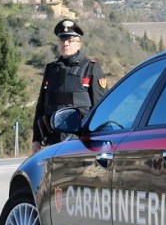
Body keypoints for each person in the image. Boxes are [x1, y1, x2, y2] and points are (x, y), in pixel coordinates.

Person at [30, 19, 108, 152]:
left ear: (78, 44)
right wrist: (36, 139)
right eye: (62, 40)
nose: (65, 43)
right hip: (53, 140)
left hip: (80, 141)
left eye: (70, 40)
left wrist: (100, 139)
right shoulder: (51, 69)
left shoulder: (91, 68)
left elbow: (101, 108)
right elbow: (41, 106)